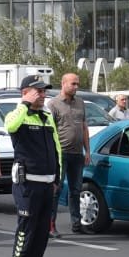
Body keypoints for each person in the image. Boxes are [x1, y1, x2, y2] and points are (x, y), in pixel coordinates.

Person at [4, 75, 62, 257]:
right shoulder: (17, 114)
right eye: (37, 91)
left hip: (47, 184)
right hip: (28, 184)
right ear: (25, 92)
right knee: (25, 235)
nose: (42, 94)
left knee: (40, 237)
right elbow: (11, 126)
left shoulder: (47, 116)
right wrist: (25, 105)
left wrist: (58, 177)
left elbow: (57, 148)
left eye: (44, 91)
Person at [45, 72, 90, 239]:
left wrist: (87, 151)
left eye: (77, 84)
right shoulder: (53, 104)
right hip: (61, 153)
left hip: (77, 153)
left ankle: (76, 224)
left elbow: (84, 127)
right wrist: (51, 156)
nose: (76, 87)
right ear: (63, 84)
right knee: (56, 190)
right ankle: (50, 225)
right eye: (73, 84)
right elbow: (50, 131)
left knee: (76, 190)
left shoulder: (80, 103)